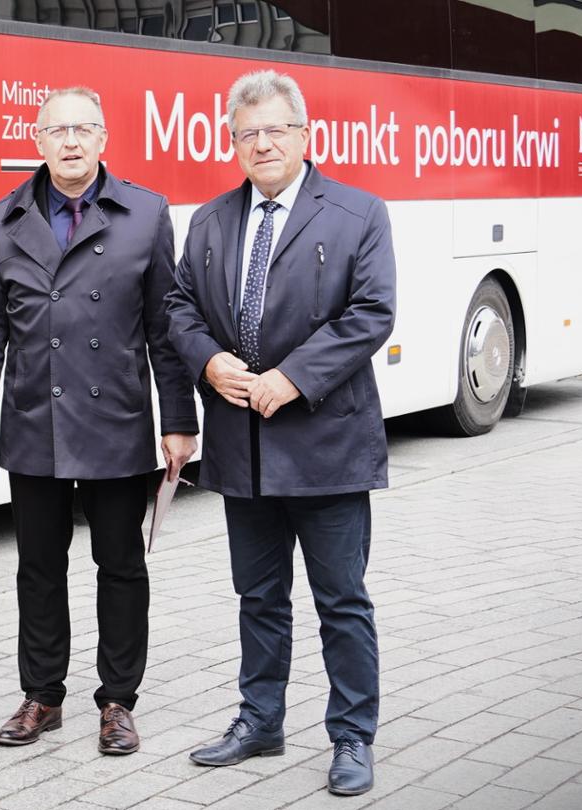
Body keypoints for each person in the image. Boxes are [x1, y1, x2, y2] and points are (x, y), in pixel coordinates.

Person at [164, 70, 395, 797]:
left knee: (341, 601)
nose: (261, 144)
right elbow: (177, 307)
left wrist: (292, 377)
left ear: (305, 135)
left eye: (274, 130)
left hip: (325, 444)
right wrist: (211, 361)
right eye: (246, 134)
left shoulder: (358, 212)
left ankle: (352, 736)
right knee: (258, 597)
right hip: (244, 449)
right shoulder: (209, 221)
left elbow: (372, 312)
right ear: (232, 143)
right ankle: (260, 721)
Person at [0, 87, 197, 753]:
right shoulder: (1, 219)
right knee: (37, 566)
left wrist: (178, 420)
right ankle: (42, 697)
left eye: (83, 129)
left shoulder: (145, 215)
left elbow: (164, 330)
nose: (70, 141)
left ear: (102, 139)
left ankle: (118, 701)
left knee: (120, 565)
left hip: (116, 421)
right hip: (36, 422)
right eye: (57, 129)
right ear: (36, 139)